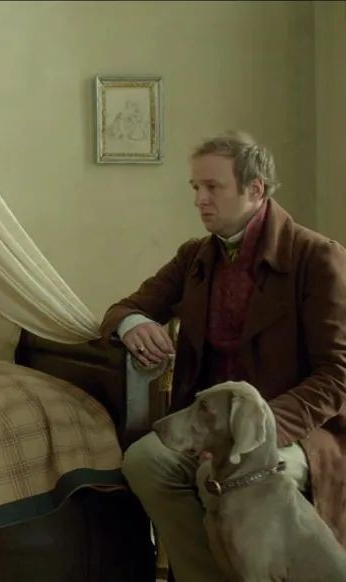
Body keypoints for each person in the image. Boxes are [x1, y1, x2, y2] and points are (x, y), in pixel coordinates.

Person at [100, 131, 346, 581]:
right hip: (209, 427)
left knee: (253, 478)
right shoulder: (195, 256)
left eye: (213, 187)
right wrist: (133, 324)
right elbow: (124, 307)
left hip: (295, 432)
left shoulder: (316, 258)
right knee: (145, 461)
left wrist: (258, 429)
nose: (200, 199)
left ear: (255, 189)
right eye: (196, 187)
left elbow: (337, 374)